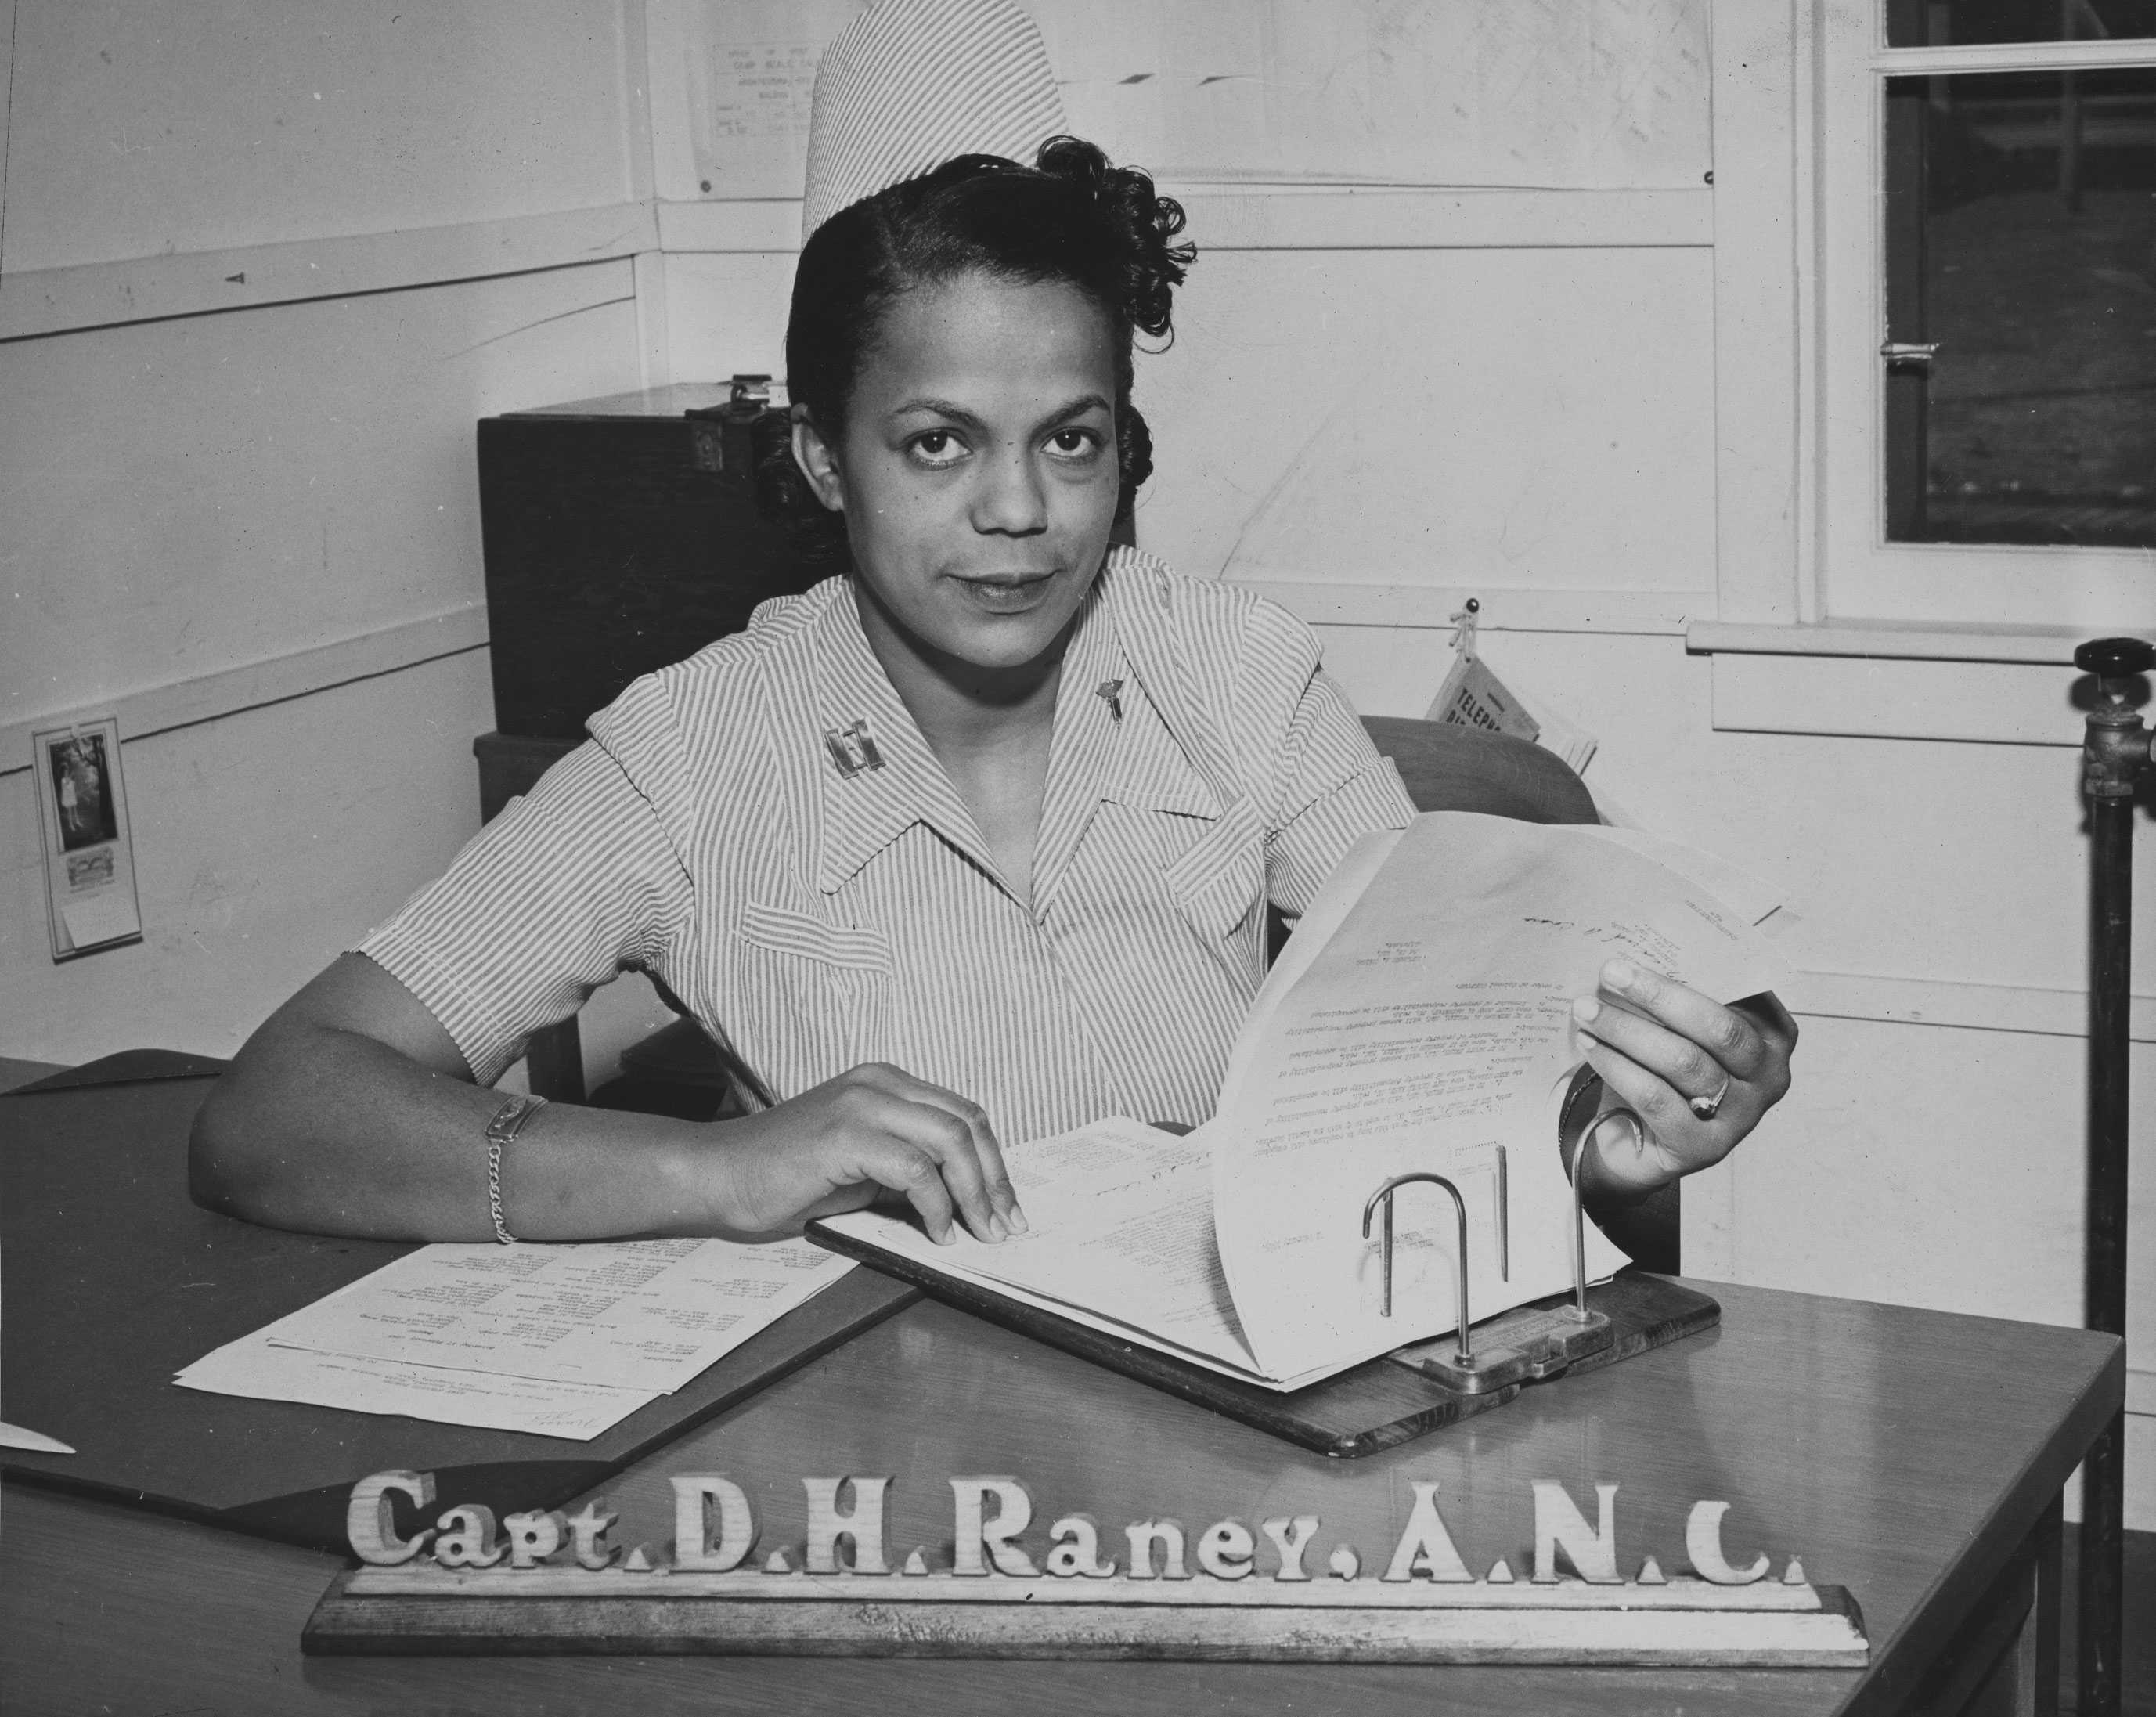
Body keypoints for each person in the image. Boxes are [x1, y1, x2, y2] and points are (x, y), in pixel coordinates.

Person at [189, 128, 1796, 1256]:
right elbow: (275, 1107)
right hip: (877, 1450)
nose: (1020, 514)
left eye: (1072, 437)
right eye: (939, 441)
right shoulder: (694, 753)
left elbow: (1439, 1059)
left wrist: (1613, 1129)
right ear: (825, 454)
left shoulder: (1238, 678)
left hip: (1229, 1432)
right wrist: (727, 1166)